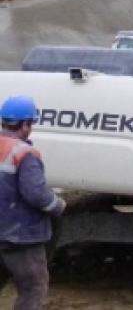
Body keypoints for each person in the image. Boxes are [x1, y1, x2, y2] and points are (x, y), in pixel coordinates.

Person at [0, 94, 65, 309]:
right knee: (33, 287)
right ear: (26, 124)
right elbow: (36, 194)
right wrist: (57, 205)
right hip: (20, 236)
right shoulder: (24, 153)